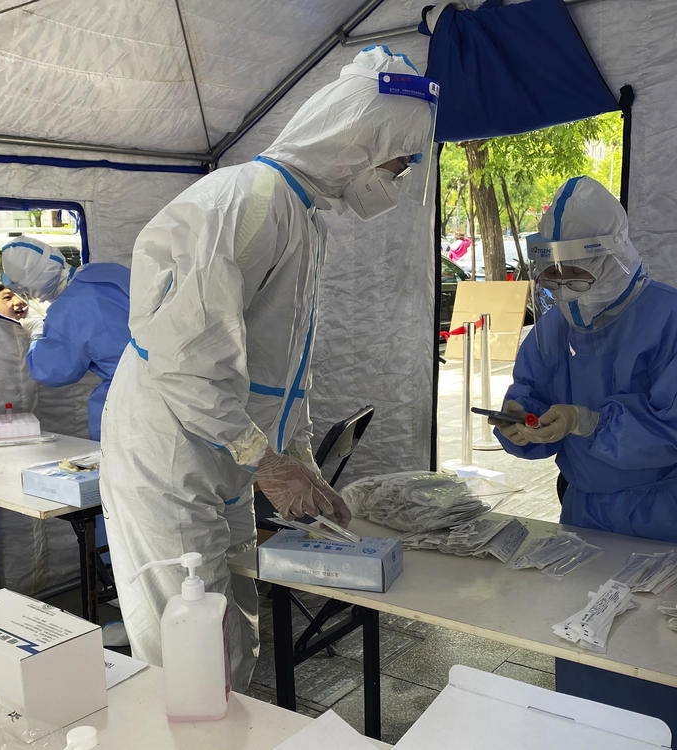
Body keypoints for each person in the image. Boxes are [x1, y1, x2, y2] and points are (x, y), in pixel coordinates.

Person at [99, 46, 438, 688]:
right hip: (171, 450)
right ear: (359, 139)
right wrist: (268, 462)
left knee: (231, 627)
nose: (399, 176)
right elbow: (189, 365)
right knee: (186, 647)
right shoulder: (244, 203)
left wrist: (299, 458)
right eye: (400, 160)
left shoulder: (302, 213)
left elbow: (280, 372)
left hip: (220, 450)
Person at [492, 176, 677, 554]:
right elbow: (535, 396)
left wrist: (587, 421)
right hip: (590, 516)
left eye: (577, 273)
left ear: (612, 261)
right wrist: (522, 422)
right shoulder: (552, 332)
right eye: (553, 276)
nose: (563, 288)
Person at [0, 238, 130, 441]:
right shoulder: (108, 272)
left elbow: (53, 371)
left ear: (30, 287)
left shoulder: (67, 311)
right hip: (180, 377)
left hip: (132, 399)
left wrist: (37, 334)